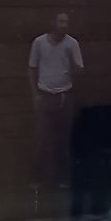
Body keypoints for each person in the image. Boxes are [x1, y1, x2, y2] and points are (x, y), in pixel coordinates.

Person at [29, 12, 84, 202]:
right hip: (45, 95)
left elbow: (79, 70)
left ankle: (62, 180)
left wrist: (71, 63)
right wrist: (35, 94)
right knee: (41, 139)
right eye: (61, 21)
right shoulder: (39, 43)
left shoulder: (72, 44)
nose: (64, 25)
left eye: (67, 22)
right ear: (52, 22)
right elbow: (32, 68)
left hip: (64, 95)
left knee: (63, 140)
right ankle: (37, 179)